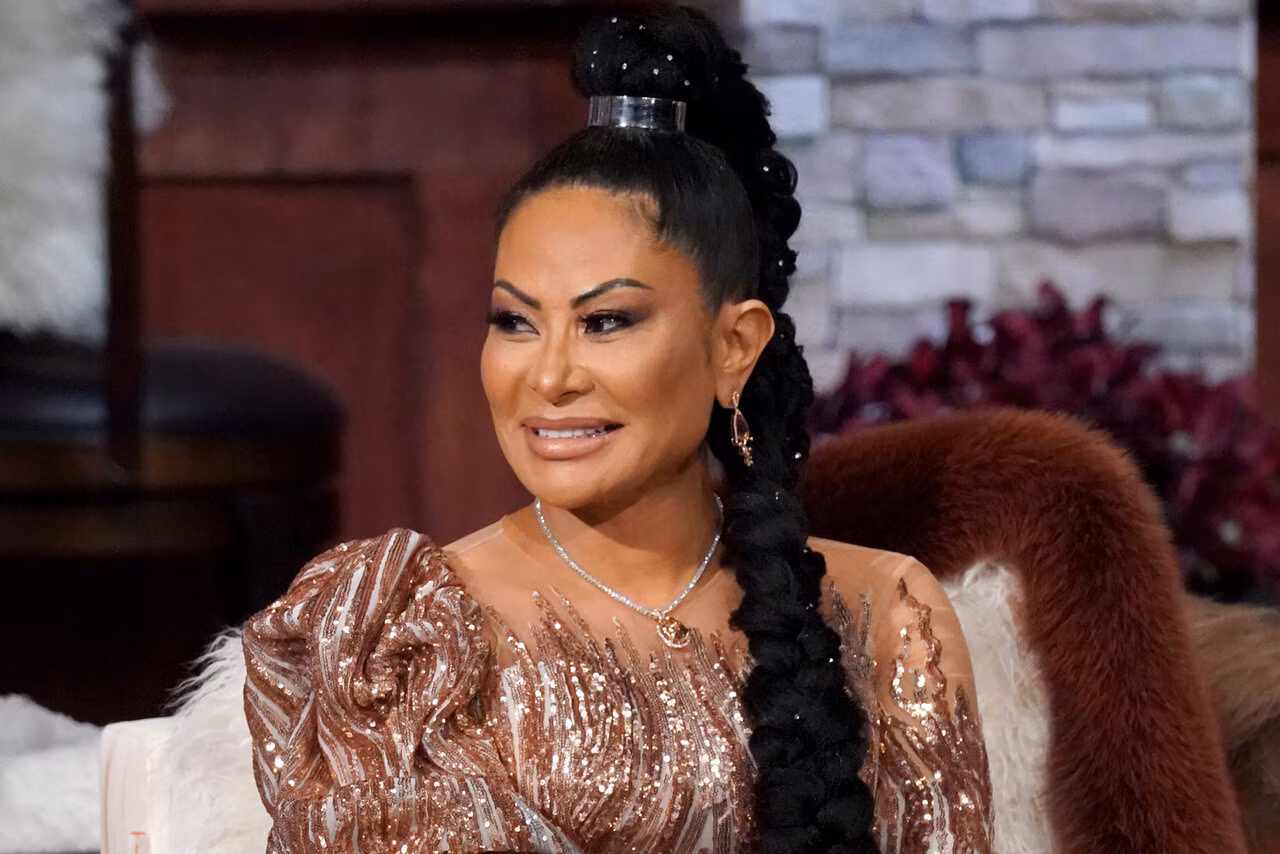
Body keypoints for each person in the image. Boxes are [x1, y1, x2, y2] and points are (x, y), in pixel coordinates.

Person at [241, 7, 993, 853]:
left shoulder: (882, 614)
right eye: (516, 322)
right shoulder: (399, 636)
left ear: (734, 347)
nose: (550, 376)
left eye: (606, 322)